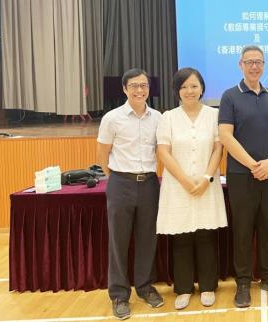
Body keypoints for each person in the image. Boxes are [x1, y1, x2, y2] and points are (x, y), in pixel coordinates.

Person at [218, 45, 268, 308]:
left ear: (264, 64)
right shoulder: (229, 96)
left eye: (258, 61)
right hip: (241, 175)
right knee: (243, 229)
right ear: (240, 64)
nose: (254, 66)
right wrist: (253, 165)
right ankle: (243, 282)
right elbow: (225, 136)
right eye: (249, 62)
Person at [155, 68, 227, 310]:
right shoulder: (168, 117)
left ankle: (207, 286)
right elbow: (163, 151)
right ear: (177, 90)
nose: (189, 91)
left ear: (202, 88)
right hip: (178, 186)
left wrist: (206, 178)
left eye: (194, 86)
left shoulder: (213, 115)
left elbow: (218, 148)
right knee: (181, 238)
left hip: (207, 185)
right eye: (184, 87)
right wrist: (185, 180)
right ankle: (184, 288)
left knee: (206, 236)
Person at [97, 68, 163, 320]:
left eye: (144, 85)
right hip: (121, 183)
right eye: (134, 85)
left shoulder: (158, 118)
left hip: (149, 184)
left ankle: (145, 287)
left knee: (147, 239)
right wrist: (118, 177)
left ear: (149, 89)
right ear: (125, 89)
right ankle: (119, 295)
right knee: (118, 241)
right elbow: (102, 156)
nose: (139, 90)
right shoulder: (112, 118)